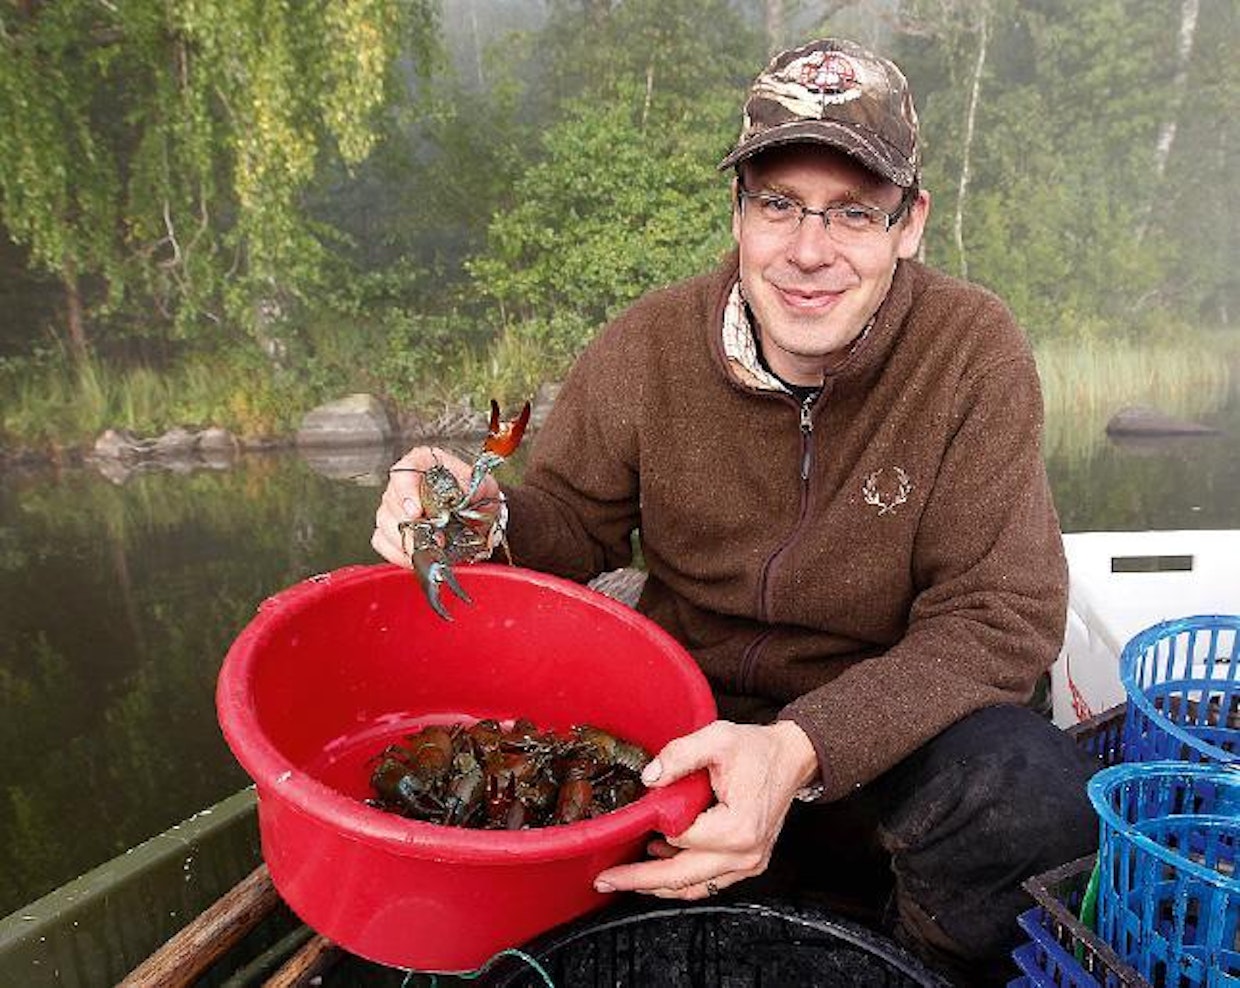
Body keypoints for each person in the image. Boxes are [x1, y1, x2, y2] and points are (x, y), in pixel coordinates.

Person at [372, 37, 1097, 986]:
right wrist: (481, 518)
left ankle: (907, 958)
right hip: (684, 746)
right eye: (778, 204)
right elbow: (569, 519)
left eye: (853, 211)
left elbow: (1004, 616)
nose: (809, 251)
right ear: (739, 211)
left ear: (910, 223)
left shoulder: (970, 352)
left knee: (1032, 794)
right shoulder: (648, 344)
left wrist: (801, 750)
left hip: (877, 755)